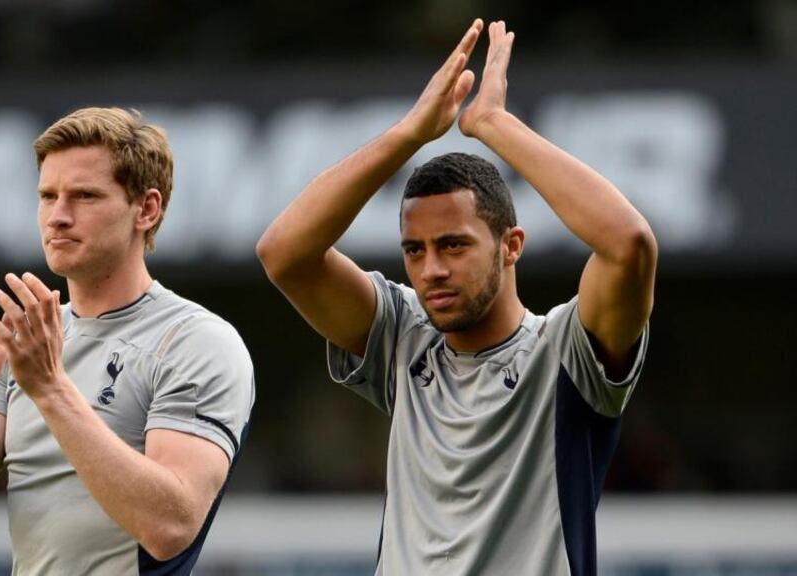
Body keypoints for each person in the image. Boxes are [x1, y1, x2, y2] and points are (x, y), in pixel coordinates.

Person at [257, 19, 656, 575]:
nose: (432, 270)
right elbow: (284, 254)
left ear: (511, 245)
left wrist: (492, 123)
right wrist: (408, 135)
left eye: (453, 245)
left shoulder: (566, 352)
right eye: (414, 251)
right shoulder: (403, 336)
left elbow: (629, 243)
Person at [0, 107, 255, 575]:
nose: (58, 217)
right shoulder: (26, 344)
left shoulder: (195, 341)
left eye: (84, 196)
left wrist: (50, 388)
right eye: (47, 196)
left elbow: (170, 526)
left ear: (146, 209)